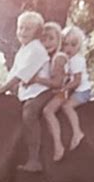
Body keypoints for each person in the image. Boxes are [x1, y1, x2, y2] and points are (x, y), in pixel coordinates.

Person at [0, 11, 53, 172]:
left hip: (41, 91)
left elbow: (22, 74)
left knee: (29, 113)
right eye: (20, 28)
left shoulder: (36, 49)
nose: (23, 32)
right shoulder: (23, 50)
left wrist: (2, 89)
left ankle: (35, 159)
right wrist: (3, 88)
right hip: (27, 93)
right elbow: (13, 73)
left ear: (37, 32)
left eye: (28, 29)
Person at [29, 22, 69, 161]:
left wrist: (36, 80)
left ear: (59, 40)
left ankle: (58, 144)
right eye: (43, 40)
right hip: (51, 92)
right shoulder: (45, 59)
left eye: (51, 39)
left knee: (48, 111)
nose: (47, 43)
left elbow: (57, 83)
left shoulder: (58, 58)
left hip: (60, 92)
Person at [60, 25, 92, 151]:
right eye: (65, 44)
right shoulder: (69, 59)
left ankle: (77, 132)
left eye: (73, 45)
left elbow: (77, 81)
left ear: (79, 46)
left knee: (66, 106)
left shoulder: (76, 60)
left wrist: (64, 88)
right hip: (76, 89)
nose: (69, 48)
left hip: (82, 91)